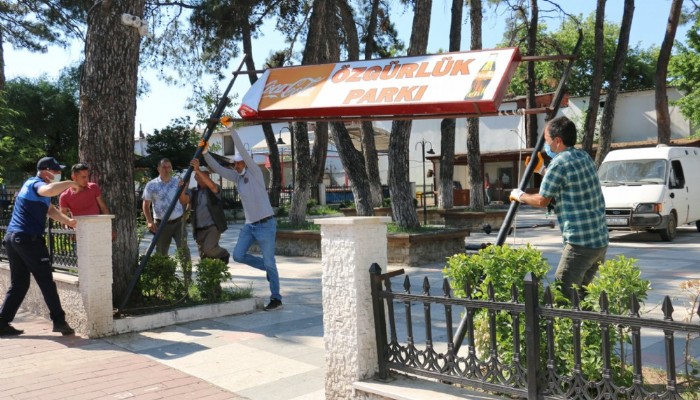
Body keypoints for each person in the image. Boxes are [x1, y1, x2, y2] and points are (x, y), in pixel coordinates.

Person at [509, 116, 608, 299]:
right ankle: (582, 326)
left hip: (580, 243)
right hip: (599, 242)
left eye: (547, 141)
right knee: (581, 297)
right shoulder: (583, 156)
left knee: (562, 296)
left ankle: (568, 327)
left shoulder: (559, 163)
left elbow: (542, 200)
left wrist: (520, 196)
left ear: (557, 141)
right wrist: (542, 170)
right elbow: (564, 179)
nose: (546, 146)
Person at [200, 129, 282, 311]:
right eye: (235, 163)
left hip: (266, 224)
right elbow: (219, 169)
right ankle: (269, 269)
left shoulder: (254, 172)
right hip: (250, 226)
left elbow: (243, 151)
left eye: (238, 163)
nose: (236, 166)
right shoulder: (237, 179)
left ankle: (276, 298)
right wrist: (205, 153)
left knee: (270, 261)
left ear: (245, 162)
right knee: (238, 255)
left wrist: (231, 131)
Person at [0, 157, 80, 336]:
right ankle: (59, 321)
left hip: (14, 238)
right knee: (46, 282)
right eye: (56, 170)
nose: (59, 173)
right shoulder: (36, 184)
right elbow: (48, 190)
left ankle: (2, 322)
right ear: (46, 171)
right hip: (28, 240)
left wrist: (68, 221)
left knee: (19, 284)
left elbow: (50, 210)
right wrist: (70, 183)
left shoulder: (35, 190)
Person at [142, 158, 191, 260]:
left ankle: (187, 276)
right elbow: (146, 205)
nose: (167, 169)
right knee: (161, 253)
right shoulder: (151, 185)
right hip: (161, 224)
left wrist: (183, 190)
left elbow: (183, 201)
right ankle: (163, 275)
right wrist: (149, 221)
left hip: (178, 222)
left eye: (169, 167)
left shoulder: (178, 182)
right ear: (158, 169)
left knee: (183, 251)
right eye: (164, 167)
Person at [188, 158, 230, 264]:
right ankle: (213, 276)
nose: (204, 177)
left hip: (212, 227)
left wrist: (197, 170)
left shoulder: (214, 190)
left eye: (206, 175)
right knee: (204, 258)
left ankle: (224, 253)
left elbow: (212, 185)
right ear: (196, 178)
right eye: (201, 175)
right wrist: (183, 184)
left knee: (209, 249)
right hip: (198, 230)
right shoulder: (194, 192)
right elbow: (183, 199)